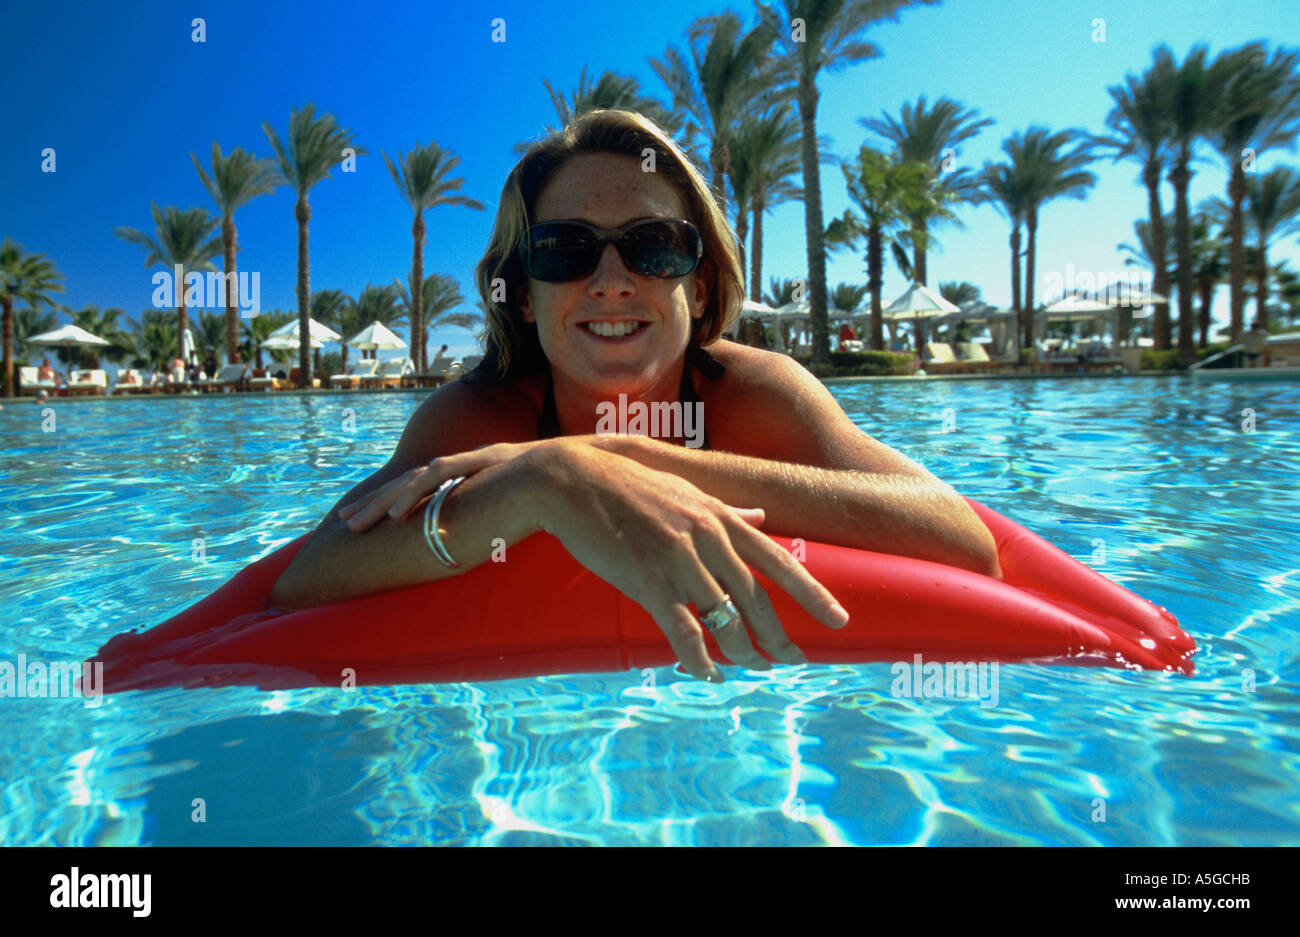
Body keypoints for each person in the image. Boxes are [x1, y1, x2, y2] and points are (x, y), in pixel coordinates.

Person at [269, 109, 1000, 684]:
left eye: (653, 245)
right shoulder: (483, 417)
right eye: (565, 249)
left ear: (701, 283)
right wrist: (542, 479)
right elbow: (306, 580)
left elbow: (965, 544)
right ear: (522, 294)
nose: (612, 280)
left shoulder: (753, 394)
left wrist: (618, 458)